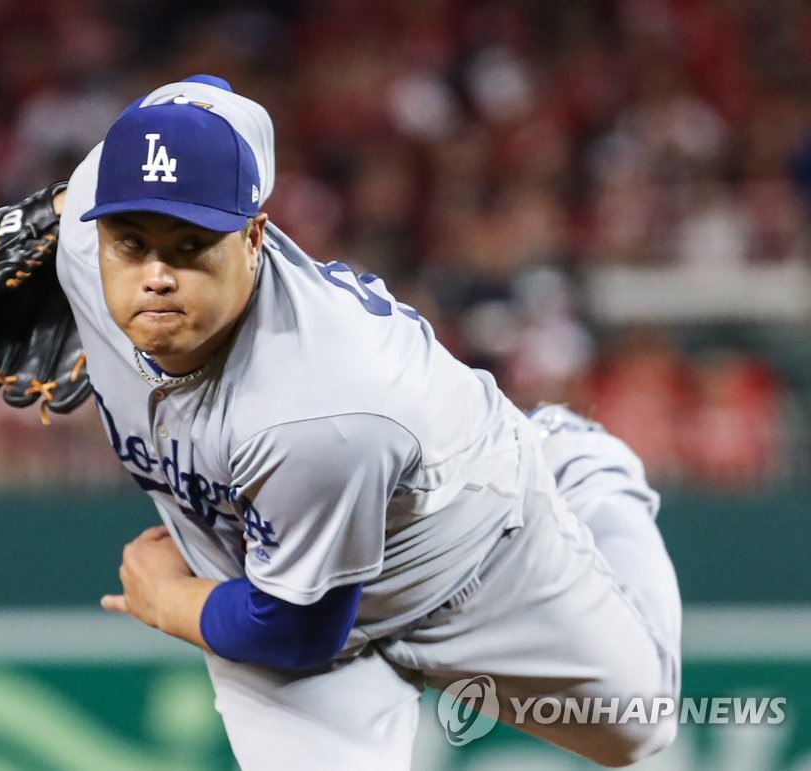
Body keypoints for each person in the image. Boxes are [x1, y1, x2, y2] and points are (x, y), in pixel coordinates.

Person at [54, 74, 681, 769]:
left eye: (190, 244)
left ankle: (571, 459)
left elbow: (298, 629)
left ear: (254, 237)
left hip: (465, 555)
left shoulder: (320, 405)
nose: (156, 275)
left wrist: (169, 600)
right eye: (130, 243)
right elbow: (205, 94)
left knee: (639, 728)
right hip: (273, 565)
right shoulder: (77, 234)